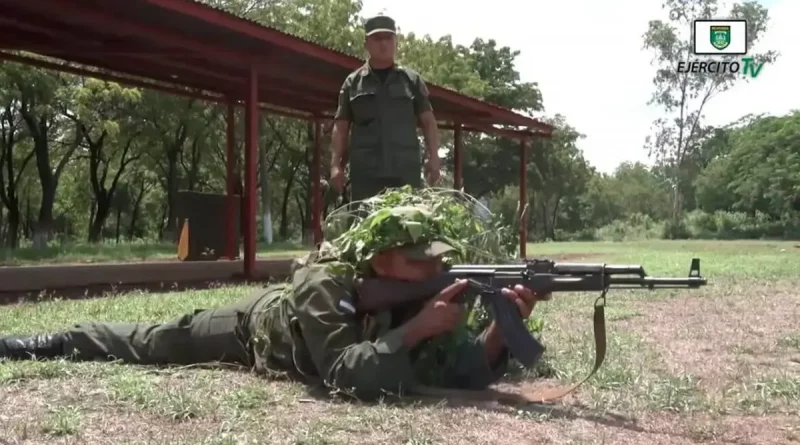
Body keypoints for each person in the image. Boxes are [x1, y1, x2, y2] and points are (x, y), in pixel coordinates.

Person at [0, 205, 543, 401]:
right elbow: (339, 375)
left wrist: (502, 330)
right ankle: (57, 340)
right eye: (419, 261)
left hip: (321, 339)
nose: (435, 270)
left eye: (438, 260)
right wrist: (418, 329)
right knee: (157, 342)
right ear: (379, 262)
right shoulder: (323, 283)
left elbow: (461, 371)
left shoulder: (432, 293)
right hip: (254, 329)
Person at [329, 14, 442, 203]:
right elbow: (340, 127)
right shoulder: (353, 83)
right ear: (366, 43)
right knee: (365, 228)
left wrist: (434, 158)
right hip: (366, 174)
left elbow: (428, 122)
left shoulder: (411, 80)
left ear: (396, 41)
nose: (383, 44)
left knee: (406, 227)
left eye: (388, 38)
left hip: (404, 173)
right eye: (377, 38)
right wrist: (335, 166)